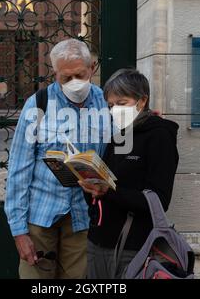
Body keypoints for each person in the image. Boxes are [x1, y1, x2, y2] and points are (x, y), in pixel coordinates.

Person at [5, 39, 109, 279]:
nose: (74, 83)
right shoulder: (38, 105)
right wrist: (19, 231)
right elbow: (19, 169)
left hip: (84, 216)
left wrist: (149, 120)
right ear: (55, 74)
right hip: (41, 216)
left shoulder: (106, 102)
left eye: (80, 75)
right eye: (66, 78)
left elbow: (129, 133)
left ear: (92, 67)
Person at [79, 68, 179, 279]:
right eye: (110, 105)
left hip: (133, 247)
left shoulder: (159, 137)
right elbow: (107, 183)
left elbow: (158, 200)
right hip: (98, 242)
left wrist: (109, 191)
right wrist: (91, 186)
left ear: (141, 101)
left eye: (121, 103)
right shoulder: (120, 134)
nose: (114, 110)